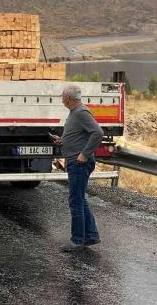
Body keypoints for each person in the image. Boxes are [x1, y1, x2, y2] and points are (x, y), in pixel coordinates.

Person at [52, 84, 103, 252]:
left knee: (76, 201)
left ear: (68, 98)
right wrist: (63, 140)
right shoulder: (75, 113)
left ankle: (77, 240)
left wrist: (84, 155)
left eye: (62, 96)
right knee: (80, 199)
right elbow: (80, 134)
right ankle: (91, 235)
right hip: (75, 160)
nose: (61, 99)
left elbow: (98, 133)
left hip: (79, 162)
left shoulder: (81, 112)